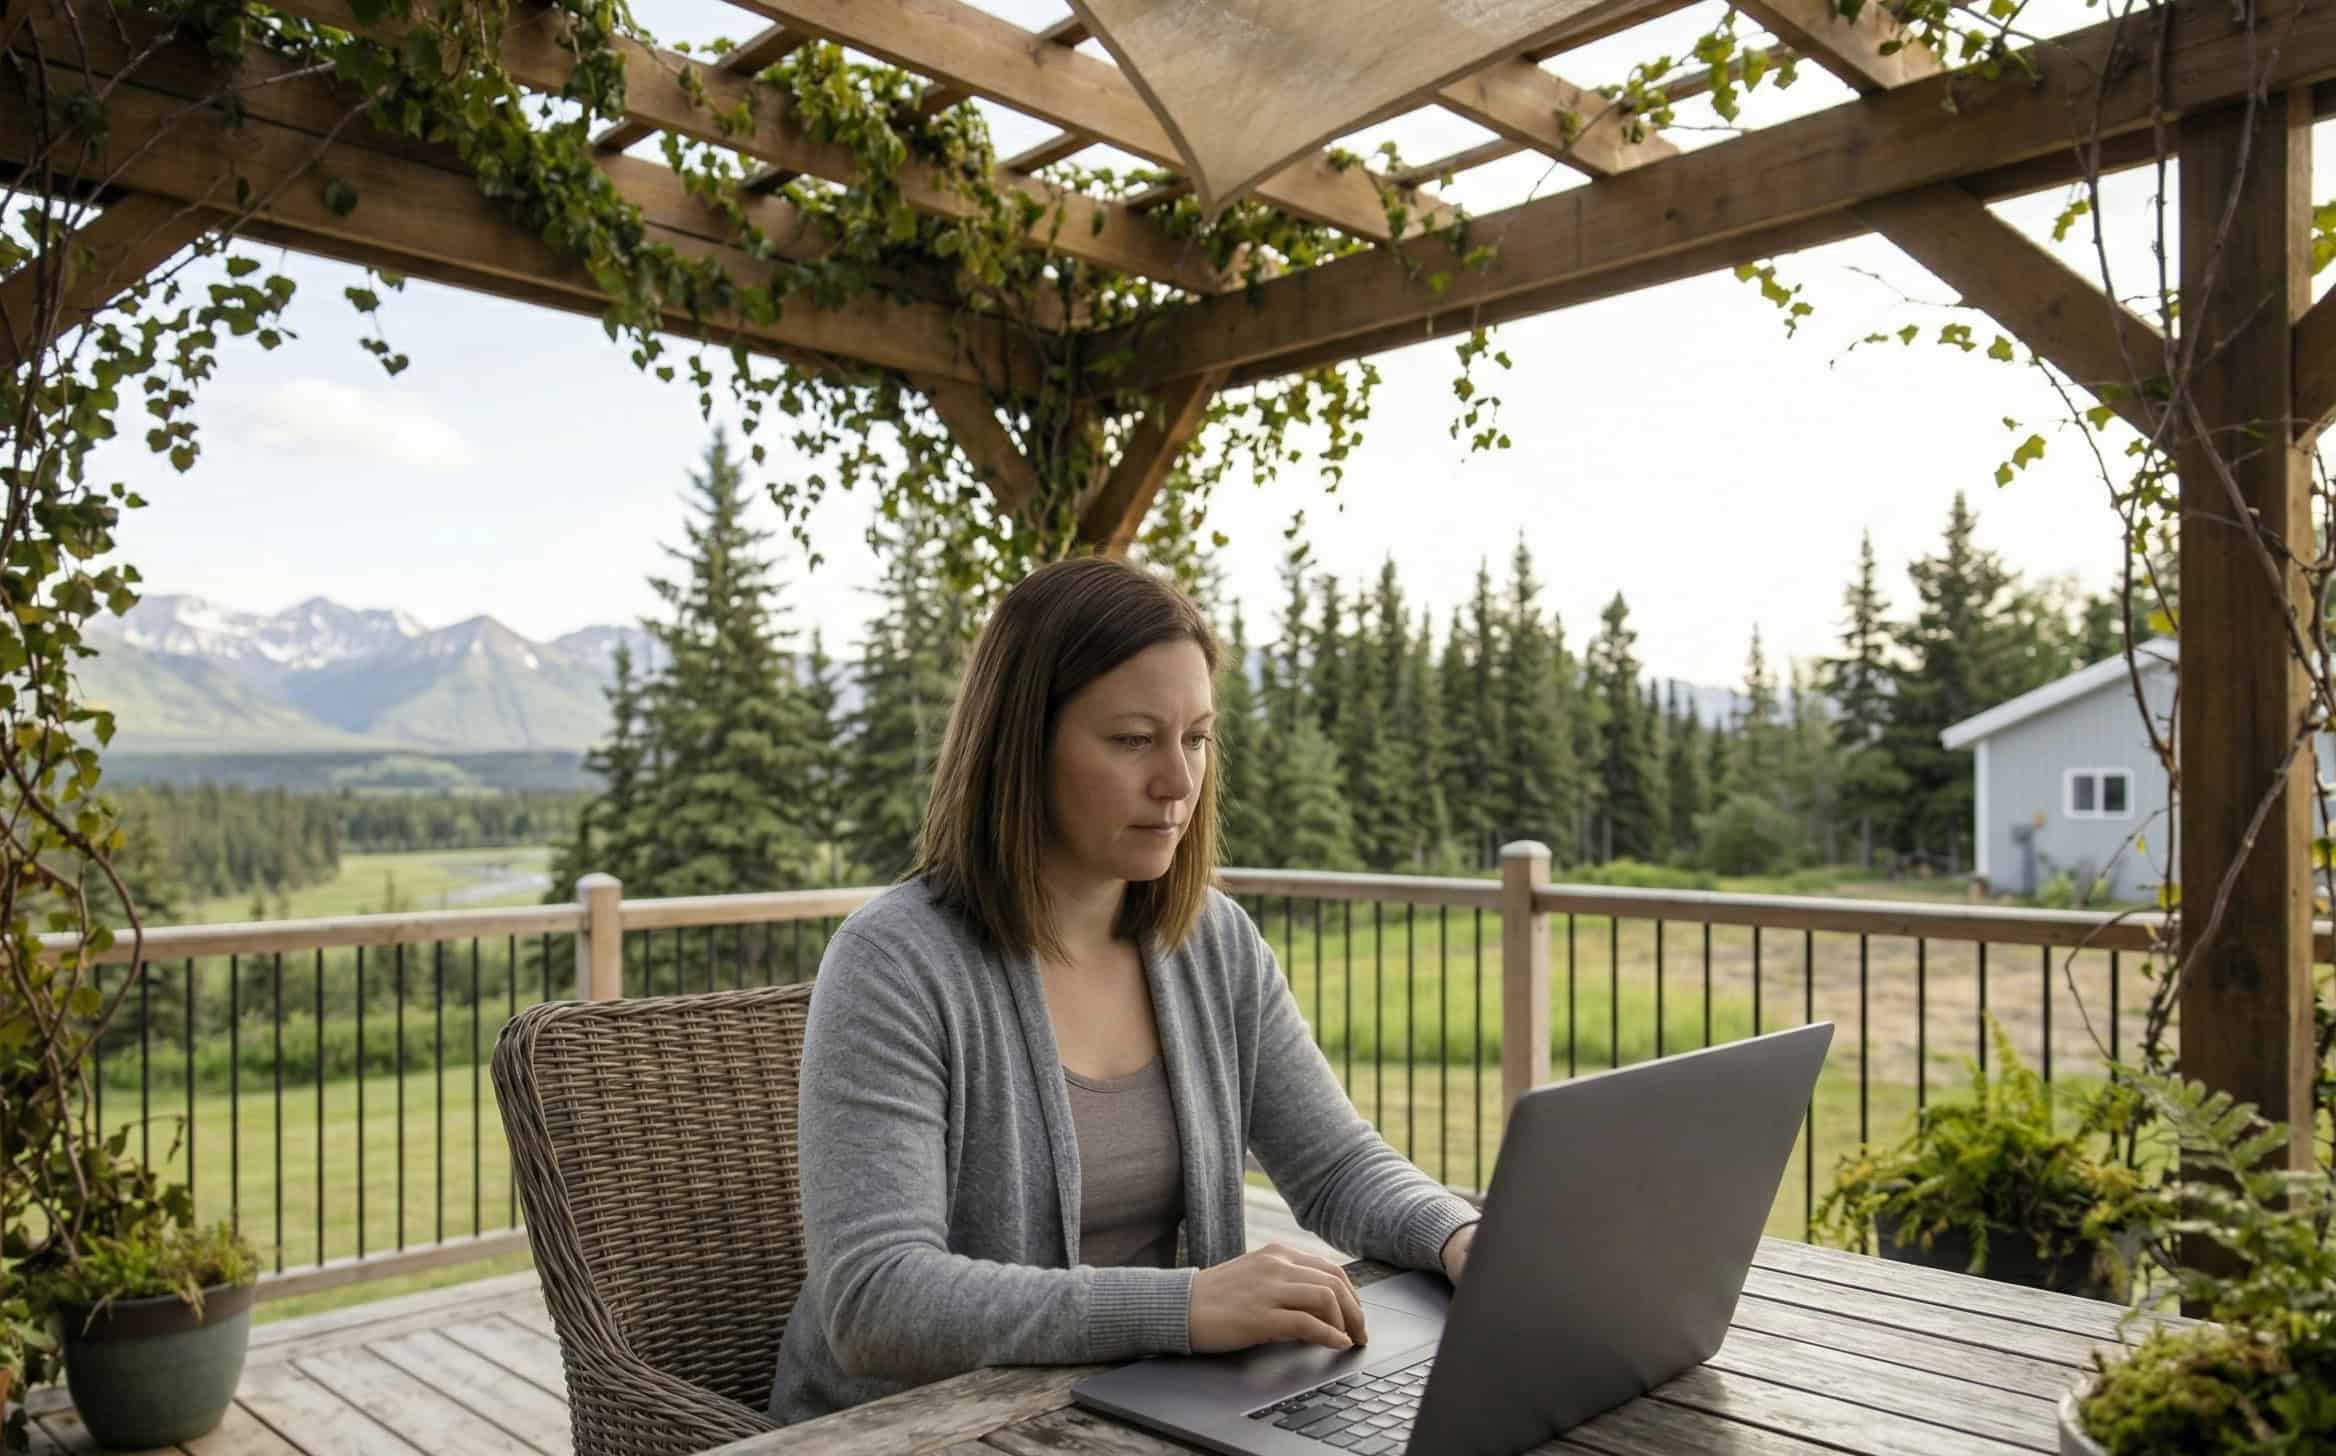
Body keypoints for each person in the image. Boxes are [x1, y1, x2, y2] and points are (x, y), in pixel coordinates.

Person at [767, 557, 1481, 1425]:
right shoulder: (895, 964)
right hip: (921, 1431)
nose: (1180, 782)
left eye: (1198, 736)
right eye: (1134, 739)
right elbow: (874, 1300)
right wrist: (1184, 1307)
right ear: (1023, 747)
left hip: (1144, 1415)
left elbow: (1337, 1166)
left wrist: (1460, 1235)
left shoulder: (1210, 943)